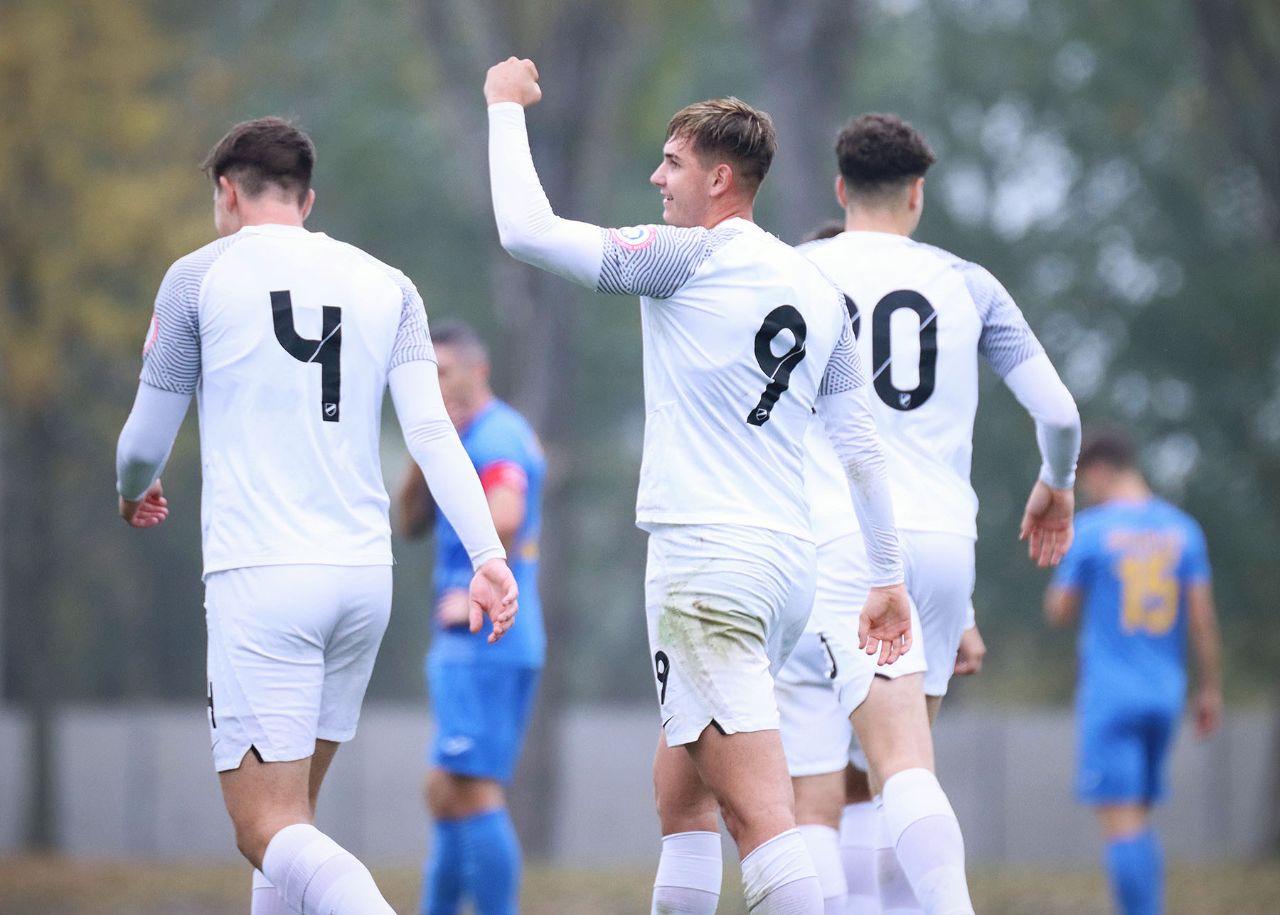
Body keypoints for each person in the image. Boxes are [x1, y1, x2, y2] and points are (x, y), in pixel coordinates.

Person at [485, 57, 913, 914]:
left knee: (760, 816)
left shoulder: (686, 258)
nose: (656, 177)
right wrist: (886, 574)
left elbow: (526, 232)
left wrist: (503, 107)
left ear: (720, 179)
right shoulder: (819, 287)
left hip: (707, 568)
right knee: (681, 798)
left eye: (672, 162)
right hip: (784, 569)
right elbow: (861, 448)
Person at [115, 117, 518, 915]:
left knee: (262, 826)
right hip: (362, 579)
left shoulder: (197, 277)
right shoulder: (389, 283)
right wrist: (487, 554)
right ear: (306, 200)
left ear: (226, 192)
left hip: (264, 576)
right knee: (294, 823)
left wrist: (133, 488)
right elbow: (432, 432)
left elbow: (142, 443)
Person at [779, 112, 1080, 913]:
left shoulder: (793, 272)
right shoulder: (967, 282)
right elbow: (1058, 411)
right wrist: (1057, 480)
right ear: (917, 193)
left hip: (837, 539)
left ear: (840, 189)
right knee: (896, 769)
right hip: (945, 545)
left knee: (866, 771)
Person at [396, 320, 546, 915]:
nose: (433, 384)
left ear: (477, 372)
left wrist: (469, 591)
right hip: (478, 642)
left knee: (472, 789)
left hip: (486, 633)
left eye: (443, 372)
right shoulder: (457, 437)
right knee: (444, 789)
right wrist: (428, 446)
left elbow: (506, 512)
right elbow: (410, 524)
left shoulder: (497, 434)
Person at [1045, 426, 1222, 915]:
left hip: (1112, 695)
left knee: (1122, 824)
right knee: (1138, 819)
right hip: (1166, 693)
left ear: (1100, 471)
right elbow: (1202, 621)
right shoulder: (1183, 530)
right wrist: (1210, 689)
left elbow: (1059, 609)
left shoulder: (1093, 530)